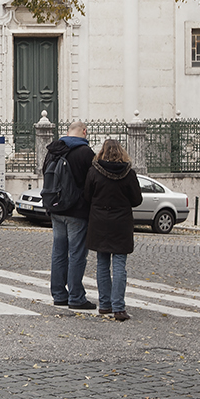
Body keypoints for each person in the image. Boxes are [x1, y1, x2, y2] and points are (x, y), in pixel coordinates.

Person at [81, 135, 143, 318]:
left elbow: (87, 196)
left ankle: (105, 304)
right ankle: (119, 307)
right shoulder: (129, 173)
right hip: (121, 223)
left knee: (102, 263)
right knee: (119, 265)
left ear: (103, 151)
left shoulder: (94, 171)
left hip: (99, 222)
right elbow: (136, 199)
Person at [41, 121, 95, 310]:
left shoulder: (53, 150)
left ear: (67, 131)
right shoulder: (85, 153)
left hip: (56, 208)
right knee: (77, 254)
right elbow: (92, 182)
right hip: (77, 210)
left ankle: (58, 294)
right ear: (85, 131)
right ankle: (76, 297)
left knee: (58, 252)